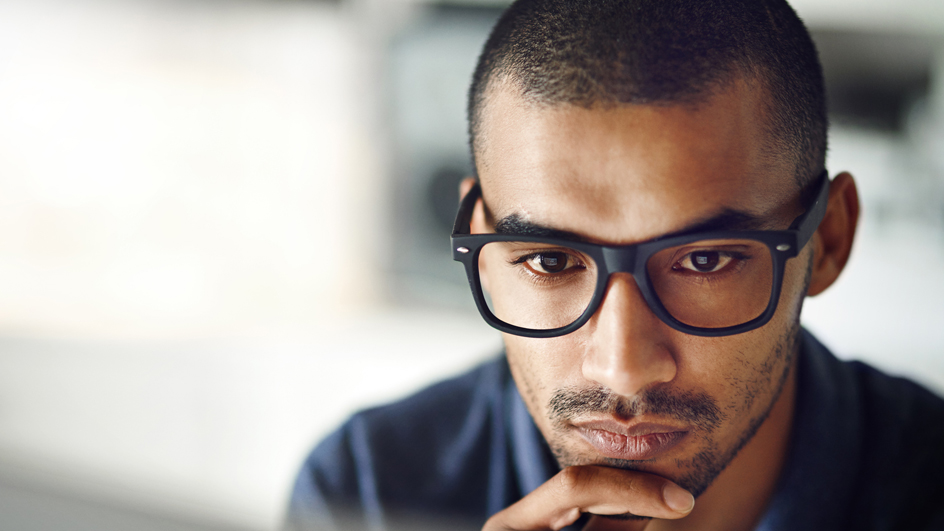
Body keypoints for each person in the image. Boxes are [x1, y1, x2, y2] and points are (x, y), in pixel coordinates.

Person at [286, 0, 944, 529]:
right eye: (548, 259)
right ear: (480, 248)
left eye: (705, 259)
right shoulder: (366, 494)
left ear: (826, 239)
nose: (623, 365)